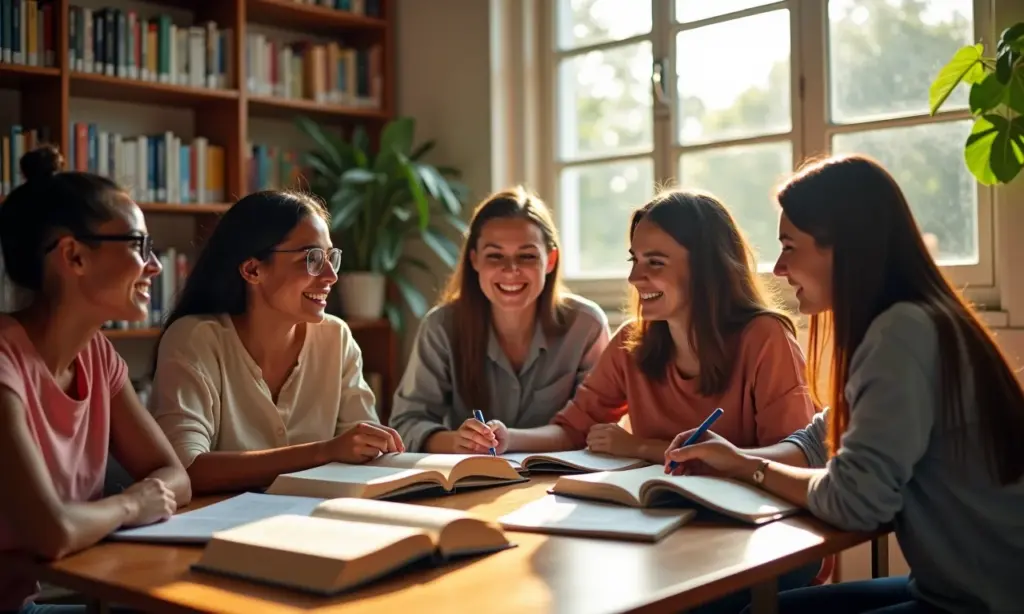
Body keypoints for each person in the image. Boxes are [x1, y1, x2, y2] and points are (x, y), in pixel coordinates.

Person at [664, 155, 1024, 614]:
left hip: (983, 601)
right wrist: (733, 458)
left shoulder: (901, 333)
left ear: (842, 247)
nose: (778, 268)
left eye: (790, 247)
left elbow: (854, 503)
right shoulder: (918, 318)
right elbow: (823, 437)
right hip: (954, 586)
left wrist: (749, 470)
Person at [0, 146, 192, 613]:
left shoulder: (98, 355)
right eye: (138, 246)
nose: (156, 266)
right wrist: (132, 505)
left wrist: (126, 504)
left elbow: (174, 478)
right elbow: (53, 532)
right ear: (74, 256)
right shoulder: (5, 358)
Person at [493, 190, 817, 462]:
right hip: (656, 516)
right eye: (635, 260)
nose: (635, 278)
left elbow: (794, 458)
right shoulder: (631, 343)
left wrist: (642, 448)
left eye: (655, 262)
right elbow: (572, 430)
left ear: (706, 268)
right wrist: (506, 438)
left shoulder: (765, 338)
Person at [150, 190, 403, 496]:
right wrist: (324, 451)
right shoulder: (195, 339)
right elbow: (186, 469)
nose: (331, 276)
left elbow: (361, 451)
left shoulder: (336, 337)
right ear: (252, 270)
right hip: (221, 532)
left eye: (330, 257)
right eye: (311, 259)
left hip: (317, 524)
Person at [389, 187, 610, 453]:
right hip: (469, 481)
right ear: (475, 260)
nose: (510, 270)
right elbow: (406, 422)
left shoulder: (586, 326)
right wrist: (457, 441)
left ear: (550, 260)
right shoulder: (441, 327)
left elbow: (594, 427)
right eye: (495, 255)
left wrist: (511, 440)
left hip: (559, 482)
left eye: (527, 256)